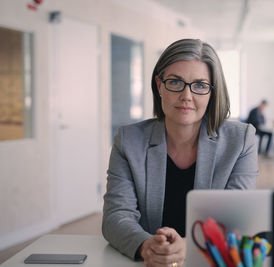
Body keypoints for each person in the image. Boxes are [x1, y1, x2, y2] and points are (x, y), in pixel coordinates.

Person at [102, 38, 258, 267]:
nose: (186, 96)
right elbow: (116, 216)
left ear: (212, 92)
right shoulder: (129, 141)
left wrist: (189, 246)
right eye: (175, 82)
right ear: (159, 84)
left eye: (200, 85)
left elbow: (238, 218)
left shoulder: (241, 140)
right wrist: (148, 247)